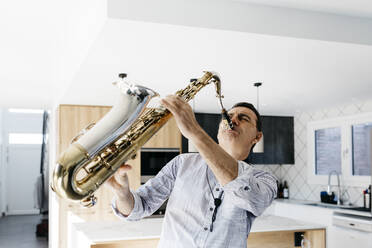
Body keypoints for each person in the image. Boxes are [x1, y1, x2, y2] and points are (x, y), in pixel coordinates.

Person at [106, 95, 277, 248]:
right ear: (219, 130)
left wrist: (195, 132)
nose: (232, 120)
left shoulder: (263, 179)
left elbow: (252, 198)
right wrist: (123, 195)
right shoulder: (182, 162)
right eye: (229, 116)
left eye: (243, 118)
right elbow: (139, 207)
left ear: (257, 137)